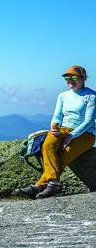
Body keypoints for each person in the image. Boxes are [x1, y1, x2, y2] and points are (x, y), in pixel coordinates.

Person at [17, 65, 96, 199]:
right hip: (62, 129)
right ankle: (52, 184)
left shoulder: (91, 96)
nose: (69, 80)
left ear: (83, 78)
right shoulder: (63, 96)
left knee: (64, 154)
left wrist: (71, 136)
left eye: (73, 77)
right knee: (47, 146)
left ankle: (42, 185)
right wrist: (54, 126)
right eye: (67, 77)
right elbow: (58, 115)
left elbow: (89, 121)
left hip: (86, 134)